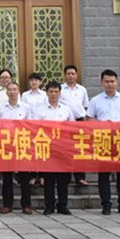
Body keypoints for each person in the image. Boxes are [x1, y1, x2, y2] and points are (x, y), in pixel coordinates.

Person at [86, 69, 120, 215]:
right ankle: (106, 204)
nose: (110, 84)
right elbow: (89, 118)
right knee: (104, 175)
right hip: (104, 140)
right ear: (102, 83)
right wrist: (101, 125)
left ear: (117, 82)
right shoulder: (95, 100)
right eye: (107, 81)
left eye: (112, 81)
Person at [34, 82, 75, 215]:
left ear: (60, 93)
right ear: (47, 93)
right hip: (47, 149)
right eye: (51, 91)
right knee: (49, 179)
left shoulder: (66, 109)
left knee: (63, 180)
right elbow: (35, 128)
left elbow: (73, 128)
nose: (53, 94)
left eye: (56, 92)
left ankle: (62, 205)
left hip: (63, 149)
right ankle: (49, 205)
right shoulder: (40, 110)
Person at [0, 82, 34, 214]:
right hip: (6, 145)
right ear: (6, 92)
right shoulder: (0, 108)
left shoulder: (26, 108)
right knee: (7, 177)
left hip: (22, 144)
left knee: (24, 176)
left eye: (15, 89)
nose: (12, 92)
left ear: (18, 92)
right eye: (10, 90)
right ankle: (7, 204)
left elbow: (30, 125)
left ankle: (26, 204)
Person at [60, 65, 90, 186]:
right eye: (68, 74)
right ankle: (65, 175)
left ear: (76, 75)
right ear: (64, 75)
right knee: (65, 149)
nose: (71, 76)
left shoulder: (82, 89)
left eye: (73, 74)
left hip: (79, 122)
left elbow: (85, 106)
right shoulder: (60, 89)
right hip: (64, 122)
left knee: (79, 149)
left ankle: (80, 177)